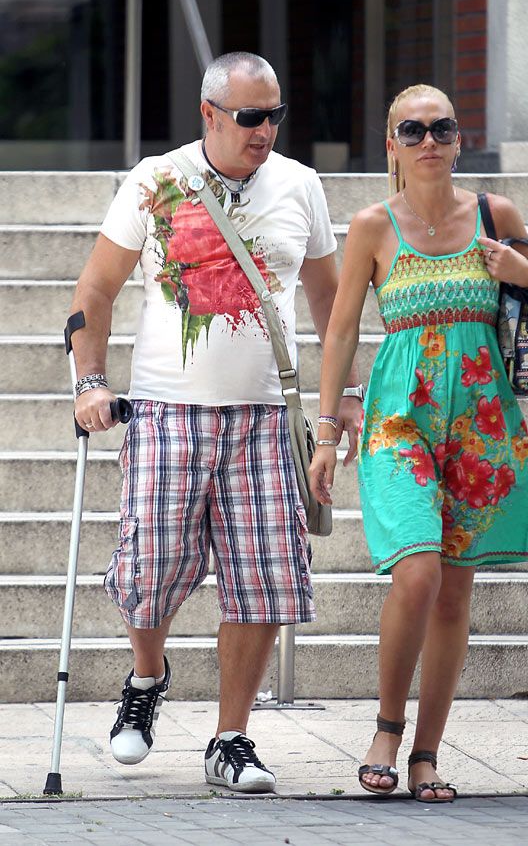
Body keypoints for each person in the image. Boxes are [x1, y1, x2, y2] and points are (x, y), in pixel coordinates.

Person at [69, 51, 361, 793]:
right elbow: (96, 289)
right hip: (167, 409)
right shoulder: (155, 180)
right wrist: (91, 383)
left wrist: (342, 400)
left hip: (265, 414)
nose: (265, 130)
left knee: (262, 580)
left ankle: (230, 739)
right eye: (250, 116)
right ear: (209, 114)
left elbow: (331, 307)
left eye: (275, 115)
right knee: (151, 570)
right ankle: (146, 677)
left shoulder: (301, 186)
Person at [309, 84, 528, 802]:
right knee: (416, 573)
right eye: (411, 130)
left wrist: (525, 273)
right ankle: (387, 725)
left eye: (441, 128)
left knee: (453, 595)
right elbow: (343, 330)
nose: (428, 141)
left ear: (457, 138)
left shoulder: (495, 214)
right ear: (391, 144)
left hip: (482, 427)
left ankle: (425, 754)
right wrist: (328, 430)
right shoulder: (371, 227)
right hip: (400, 421)